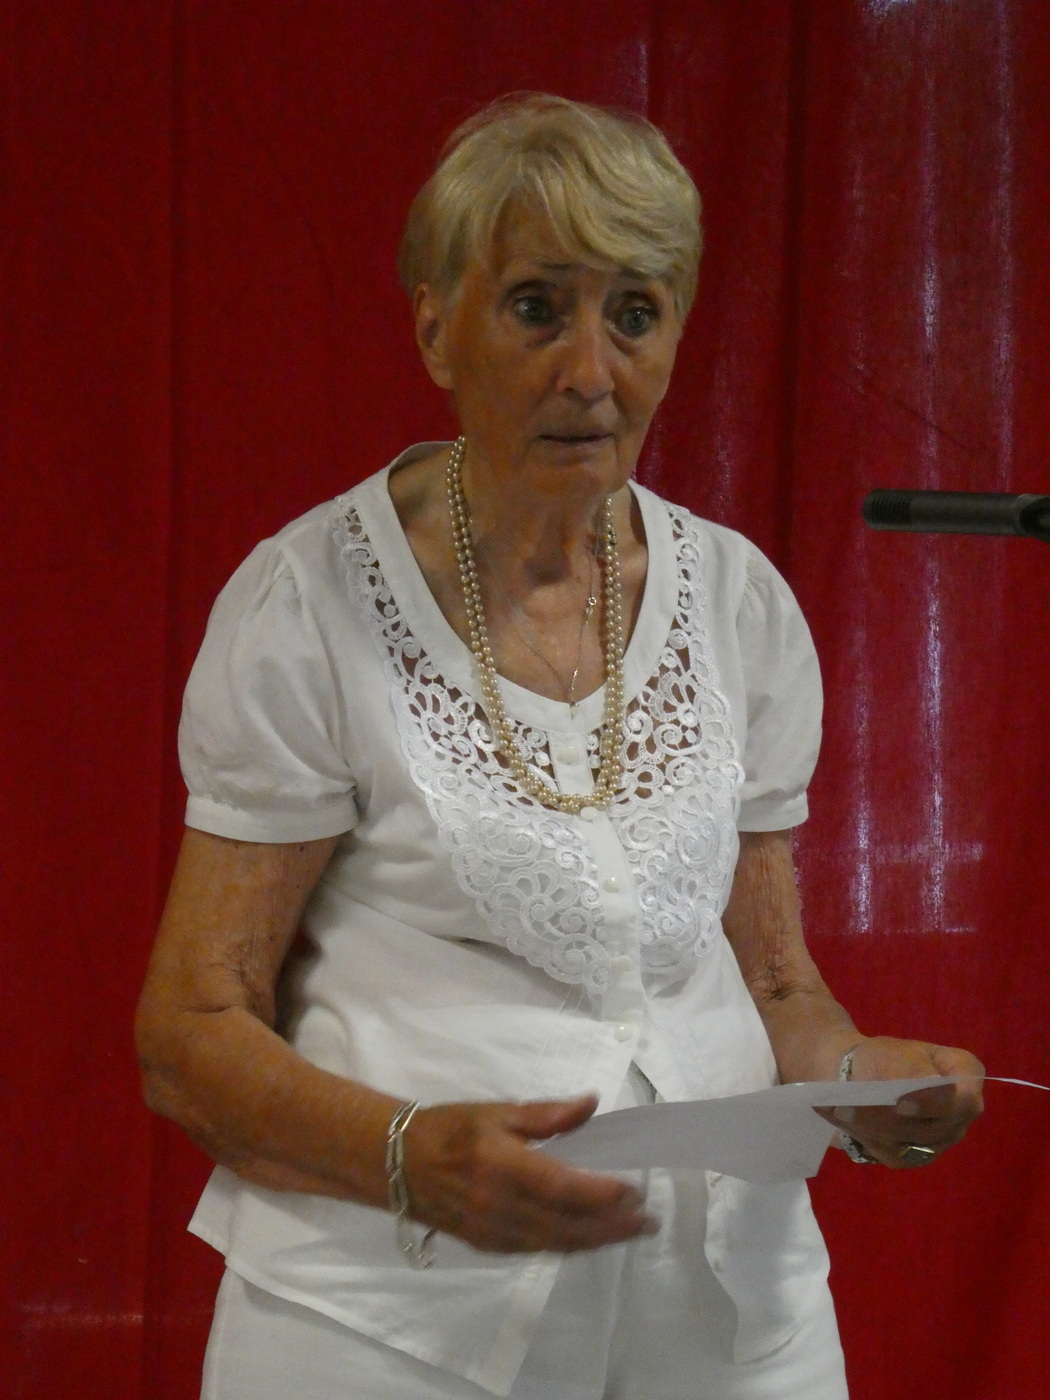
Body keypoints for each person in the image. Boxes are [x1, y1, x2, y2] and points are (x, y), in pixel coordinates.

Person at [135, 93, 984, 1400]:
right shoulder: (308, 604)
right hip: (390, 1322)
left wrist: (868, 1083)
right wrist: (407, 1155)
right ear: (437, 326)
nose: (591, 371)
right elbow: (191, 1030)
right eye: (537, 307)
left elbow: (776, 987)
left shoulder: (740, 602)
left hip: (730, 1317)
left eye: (634, 314)